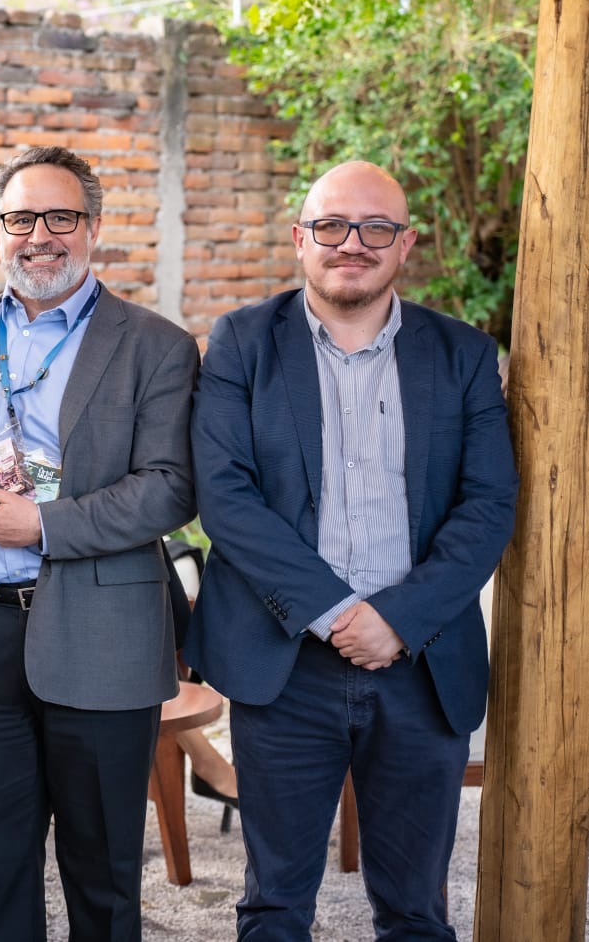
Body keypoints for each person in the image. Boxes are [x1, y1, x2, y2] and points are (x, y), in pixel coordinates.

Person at [183, 160, 519, 939]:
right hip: (285, 661)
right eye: (331, 226)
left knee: (414, 910)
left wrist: (396, 619)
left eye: (375, 229)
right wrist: (336, 613)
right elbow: (225, 499)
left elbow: (487, 504)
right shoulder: (241, 342)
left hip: (420, 663)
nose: (351, 244)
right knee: (273, 905)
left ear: (404, 245)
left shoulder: (463, 355)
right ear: (300, 239)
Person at [0, 145, 199, 942]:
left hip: (102, 629)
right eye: (19, 218)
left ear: (93, 226)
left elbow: (171, 486)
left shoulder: (156, 345)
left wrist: (45, 524)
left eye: (60, 216)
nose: (38, 235)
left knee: (102, 866)